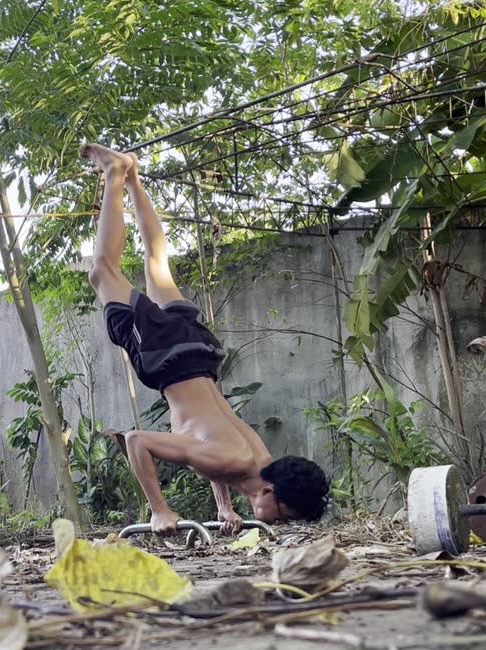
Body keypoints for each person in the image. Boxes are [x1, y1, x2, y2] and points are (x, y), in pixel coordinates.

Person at [81, 143, 331, 536]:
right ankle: (114, 172)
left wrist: (224, 505)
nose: (278, 522)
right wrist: (160, 510)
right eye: (283, 515)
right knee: (101, 270)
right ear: (269, 491)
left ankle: (133, 178)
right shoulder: (232, 462)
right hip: (167, 357)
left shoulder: (257, 458)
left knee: (155, 260)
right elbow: (137, 441)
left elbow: (213, 452)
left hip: (200, 353)